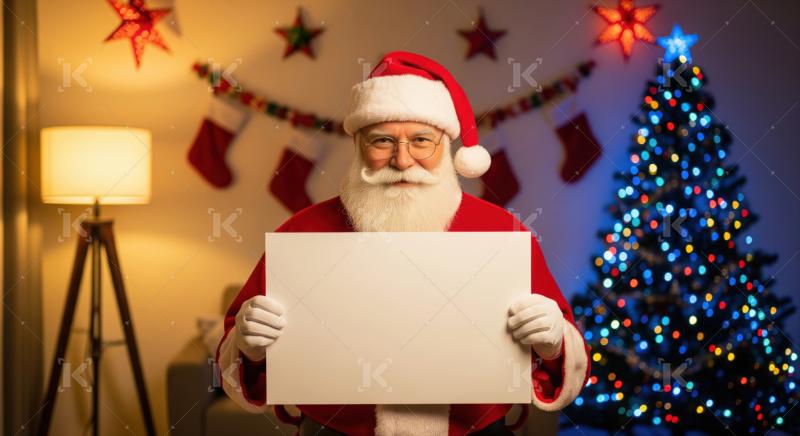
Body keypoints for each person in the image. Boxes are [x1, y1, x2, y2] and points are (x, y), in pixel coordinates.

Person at [216, 51, 590, 435]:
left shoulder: (503, 231)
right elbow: (233, 359)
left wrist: (554, 343)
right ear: (359, 145)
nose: (402, 159)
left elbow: (566, 359)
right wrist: (248, 348)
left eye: (421, 140)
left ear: (445, 146)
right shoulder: (302, 232)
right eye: (382, 141)